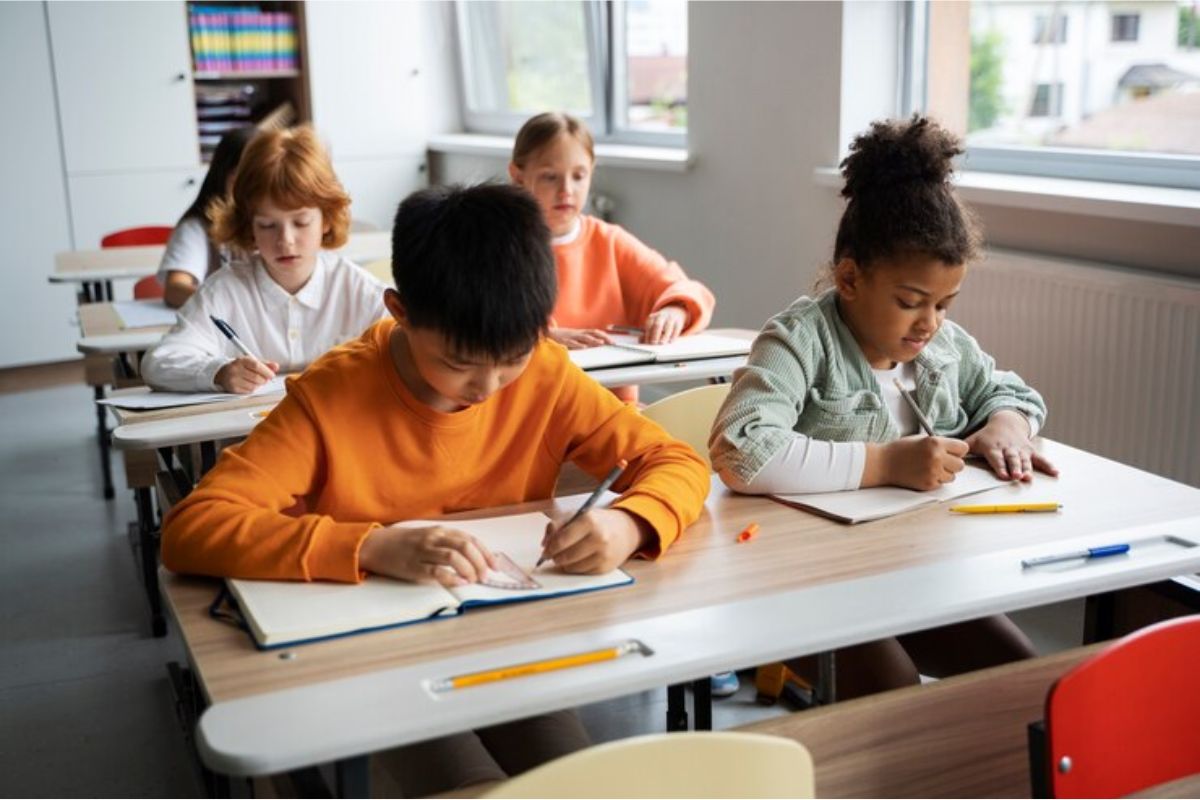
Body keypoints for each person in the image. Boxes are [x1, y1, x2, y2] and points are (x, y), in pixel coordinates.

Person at [161, 182, 711, 795]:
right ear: (398, 312)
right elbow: (192, 527)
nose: (488, 386)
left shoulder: (547, 373)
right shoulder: (332, 396)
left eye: (512, 357)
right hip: (380, 656)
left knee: (577, 785)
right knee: (467, 786)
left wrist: (628, 522)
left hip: (509, 641)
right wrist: (370, 547)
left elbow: (675, 460)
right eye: (457, 363)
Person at [709, 115, 1055, 699]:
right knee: (893, 688)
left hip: (910, 571)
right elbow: (741, 451)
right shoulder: (799, 341)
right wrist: (884, 465)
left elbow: (1013, 392)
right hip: (802, 582)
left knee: (1020, 674)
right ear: (849, 278)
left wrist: (1006, 426)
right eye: (910, 301)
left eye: (945, 304)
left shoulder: (941, 347)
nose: (931, 323)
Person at [141, 126, 385, 394]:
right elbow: (158, 362)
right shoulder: (224, 290)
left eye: (301, 222)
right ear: (250, 227)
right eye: (268, 225)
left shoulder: (359, 289)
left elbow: (410, 350)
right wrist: (219, 372)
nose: (286, 240)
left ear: (326, 220)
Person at [508, 112, 715, 401]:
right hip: (535, 411)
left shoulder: (610, 241)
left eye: (579, 176)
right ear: (518, 176)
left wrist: (675, 310)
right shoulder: (501, 245)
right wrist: (543, 338)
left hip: (613, 411)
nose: (566, 190)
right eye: (549, 177)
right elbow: (473, 323)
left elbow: (684, 288)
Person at [157, 127, 257, 308]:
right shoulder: (198, 226)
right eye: (240, 179)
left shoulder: (280, 225)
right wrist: (234, 306)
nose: (250, 191)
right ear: (222, 175)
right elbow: (175, 289)